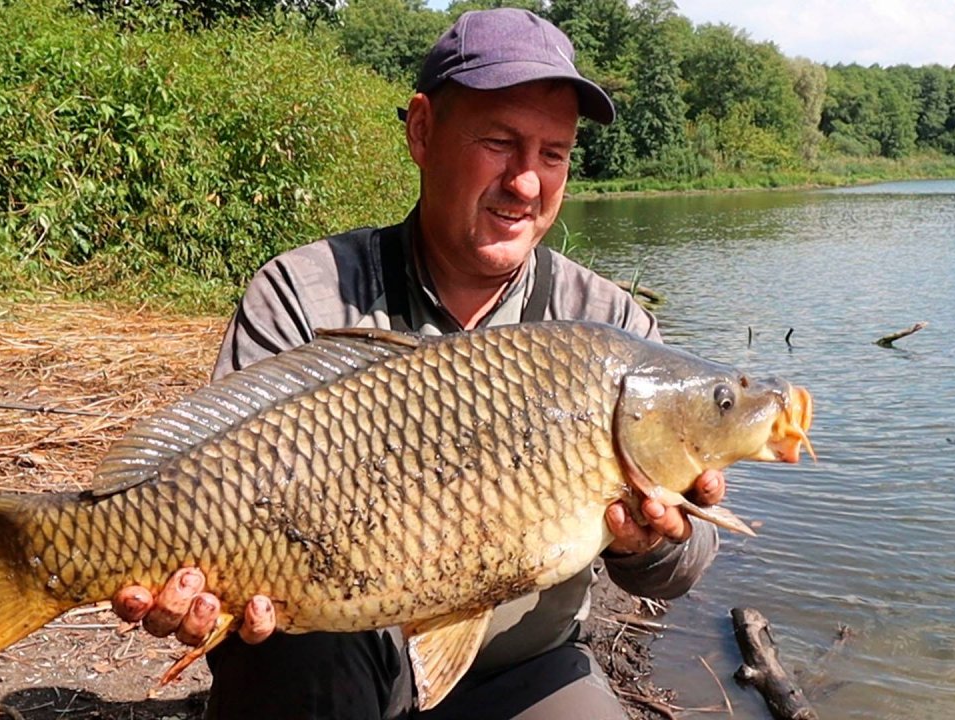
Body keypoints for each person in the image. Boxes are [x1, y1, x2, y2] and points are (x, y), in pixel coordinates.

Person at [111, 8, 724, 719]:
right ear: (422, 131)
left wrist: (651, 542)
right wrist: (176, 576)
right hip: (325, 641)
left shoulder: (613, 330)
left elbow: (686, 563)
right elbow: (208, 490)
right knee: (295, 659)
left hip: (524, 668)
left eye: (552, 154)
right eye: (500, 143)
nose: (526, 183)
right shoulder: (305, 293)